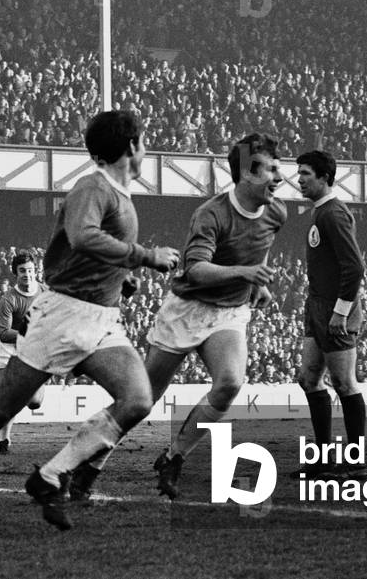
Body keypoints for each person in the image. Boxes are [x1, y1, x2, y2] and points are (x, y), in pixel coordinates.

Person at [0, 110, 179, 531]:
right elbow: (83, 236)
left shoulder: (120, 193)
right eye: (144, 141)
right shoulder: (93, 187)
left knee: (138, 399)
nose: (147, 148)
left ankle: (50, 475)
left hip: (102, 319)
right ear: (131, 147)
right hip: (61, 316)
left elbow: (86, 253)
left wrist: (120, 280)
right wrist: (145, 257)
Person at [77, 133, 286, 502]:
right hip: (188, 310)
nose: (278, 178)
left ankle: (174, 458)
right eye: (270, 170)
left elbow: (260, 250)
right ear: (245, 174)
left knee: (230, 383)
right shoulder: (212, 213)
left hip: (230, 313)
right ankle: (88, 467)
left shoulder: (276, 212)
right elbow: (196, 270)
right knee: (141, 399)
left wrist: (258, 283)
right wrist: (245, 273)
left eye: (278, 169)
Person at [290, 150, 367, 478]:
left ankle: (358, 460)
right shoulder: (320, 212)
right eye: (299, 173)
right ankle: (323, 460)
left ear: (324, 177)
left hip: (336, 310)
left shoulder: (334, 214)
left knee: (344, 382)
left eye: (306, 173)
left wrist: (341, 312)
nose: (300, 179)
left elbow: (355, 266)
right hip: (317, 307)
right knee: (309, 379)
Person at [0, 252, 46, 457]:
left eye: (30, 270)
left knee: (35, 402)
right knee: (8, 398)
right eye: (22, 271)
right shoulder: (9, 299)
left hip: (33, 351)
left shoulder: (44, 292)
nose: (27, 274)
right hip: (9, 350)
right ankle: (4, 440)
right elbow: (4, 334)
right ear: (16, 273)